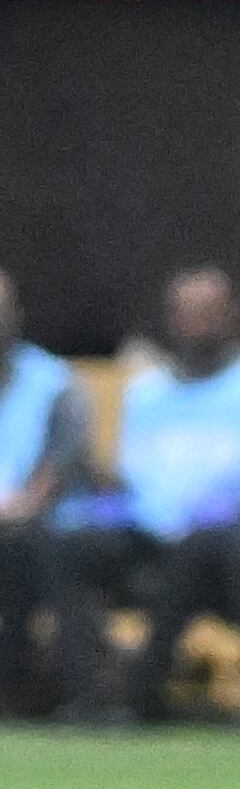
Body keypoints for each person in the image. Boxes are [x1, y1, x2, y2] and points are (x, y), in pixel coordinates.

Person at [46, 267, 240, 726]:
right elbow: (126, 475)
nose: (196, 323)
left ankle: (139, 696)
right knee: (65, 548)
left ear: (234, 315)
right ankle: (83, 693)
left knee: (198, 549)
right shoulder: (148, 390)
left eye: (208, 312)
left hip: (227, 534)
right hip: (148, 528)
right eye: (185, 312)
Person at [0, 269, 94, 717]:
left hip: (41, 524)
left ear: (15, 317)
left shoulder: (54, 384)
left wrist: (19, 510)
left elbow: (55, 472)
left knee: (39, 548)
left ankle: (79, 695)